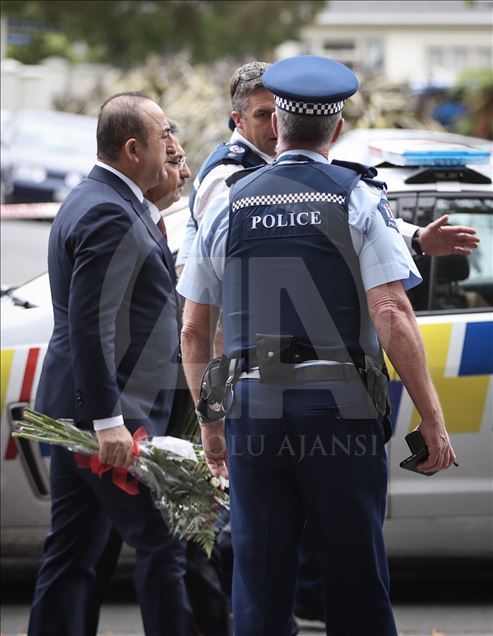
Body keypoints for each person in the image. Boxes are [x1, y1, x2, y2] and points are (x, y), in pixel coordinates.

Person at [177, 56, 457, 636]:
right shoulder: (357, 197)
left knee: (258, 584)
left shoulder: (228, 201)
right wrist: (431, 416)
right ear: (336, 128)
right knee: (355, 577)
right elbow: (391, 310)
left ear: (276, 124)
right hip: (342, 408)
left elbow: (193, 331)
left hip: (255, 409)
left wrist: (211, 426)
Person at [29, 92, 193, 636]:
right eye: (163, 134)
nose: (173, 144)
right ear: (130, 149)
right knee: (163, 539)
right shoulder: (105, 210)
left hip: (90, 415)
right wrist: (108, 422)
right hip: (109, 418)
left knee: (73, 557)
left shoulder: (106, 200)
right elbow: (90, 324)